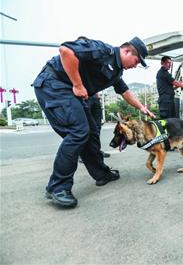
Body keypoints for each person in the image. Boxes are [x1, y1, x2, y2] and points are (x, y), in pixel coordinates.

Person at [32, 36, 155, 208]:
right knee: (78, 131)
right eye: (136, 61)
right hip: (54, 85)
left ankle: (101, 174)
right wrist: (77, 84)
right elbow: (66, 51)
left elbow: (125, 92)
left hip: (70, 92)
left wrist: (141, 107)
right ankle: (57, 187)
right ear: (126, 51)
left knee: (90, 132)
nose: (136, 65)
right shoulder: (103, 50)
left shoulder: (117, 72)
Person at [86, 93, 110, 158]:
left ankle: (96, 151)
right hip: (84, 96)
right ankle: (83, 154)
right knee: (85, 127)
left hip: (94, 97)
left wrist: (96, 94)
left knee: (96, 128)